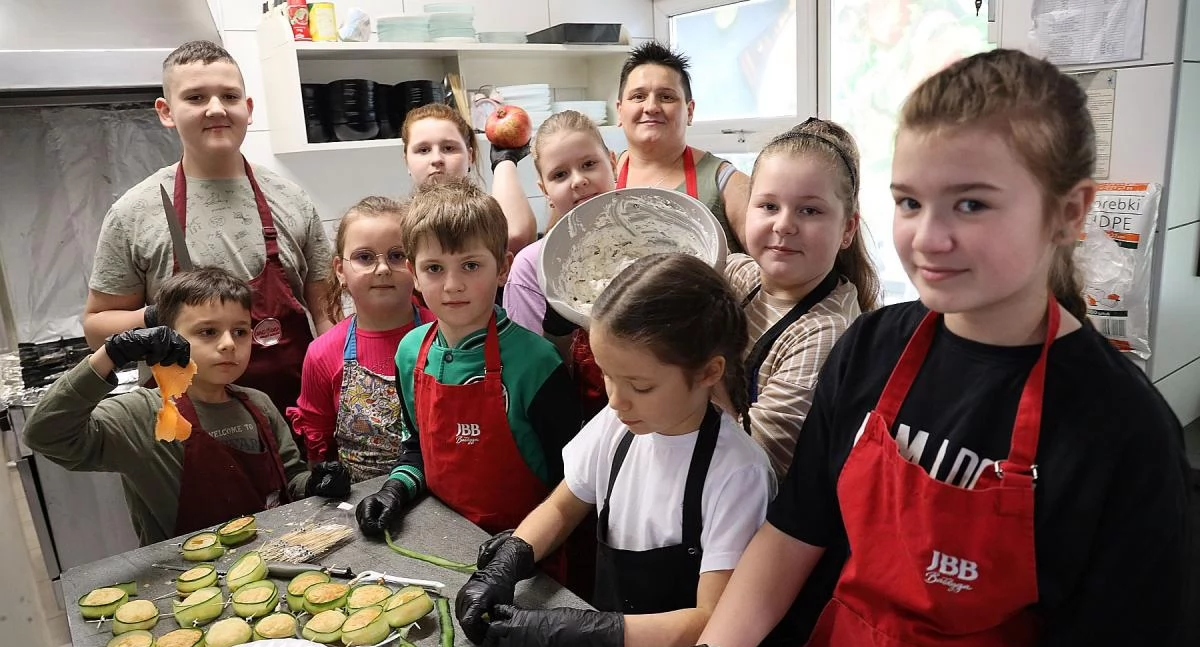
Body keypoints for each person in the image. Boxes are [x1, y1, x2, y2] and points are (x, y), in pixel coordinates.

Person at [697, 49, 1190, 647]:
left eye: (972, 204)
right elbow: (792, 536)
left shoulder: (1123, 430)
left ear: (1068, 213)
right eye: (910, 201)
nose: (928, 238)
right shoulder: (870, 348)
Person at [455, 253, 774, 647]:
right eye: (607, 376)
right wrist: (511, 558)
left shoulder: (738, 473)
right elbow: (561, 507)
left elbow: (712, 618)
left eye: (640, 386)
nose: (617, 400)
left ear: (709, 372)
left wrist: (590, 631)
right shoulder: (617, 422)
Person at [84, 40, 336, 423]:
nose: (216, 108)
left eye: (229, 96)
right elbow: (96, 329)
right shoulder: (133, 213)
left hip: (296, 417)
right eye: (196, 97)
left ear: (248, 109)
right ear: (166, 112)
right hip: (187, 428)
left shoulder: (292, 198)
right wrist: (165, 316)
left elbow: (325, 312)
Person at [24, 267, 351, 546]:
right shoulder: (141, 415)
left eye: (240, 331)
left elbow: (289, 481)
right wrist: (109, 356)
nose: (228, 343)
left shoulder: (258, 405)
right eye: (208, 332)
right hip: (188, 583)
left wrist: (313, 483)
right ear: (167, 337)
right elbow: (45, 434)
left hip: (273, 559)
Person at [355, 179, 581, 543]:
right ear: (413, 273)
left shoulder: (537, 364)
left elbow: (574, 482)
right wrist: (396, 488)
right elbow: (415, 446)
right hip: (444, 538)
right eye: (434, 268)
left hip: (531, 552)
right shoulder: (410, 353)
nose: (452, 285)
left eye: (471, 266)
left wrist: (526, 548)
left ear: (503, 268)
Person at [725, 118, 880, 479]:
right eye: (768, 206)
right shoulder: (737, 275)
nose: (784, 225)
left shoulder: (828, 333)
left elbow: (754, 462)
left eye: (809, 210)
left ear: (847, 229)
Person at [287, 197, 433, 482]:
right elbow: (319, 452)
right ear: (341, 270)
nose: (382, 269)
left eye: (396, 255)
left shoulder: (444, 333)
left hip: (442, 497)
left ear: (415, 264)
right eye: (365, 257)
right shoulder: (322, 353)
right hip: (362, 506)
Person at [614, 42, 750, 253]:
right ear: (619, 111)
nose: (651, 107)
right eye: (638, 96)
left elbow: (771, 272)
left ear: (690, 111)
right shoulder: (602, 176)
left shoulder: (727, 183)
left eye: (666, 97)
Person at [402, 102, 538, 253]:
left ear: (470, 157)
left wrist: (504, 161)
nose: (436, 159)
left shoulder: (484, 215)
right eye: (423, 150)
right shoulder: (393, 222)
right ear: (406, 161)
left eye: (448, 148)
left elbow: (515, 238)